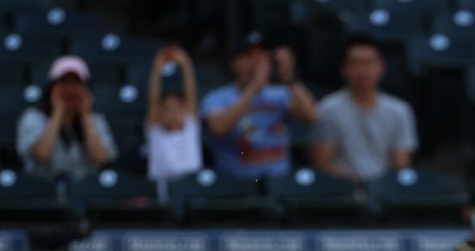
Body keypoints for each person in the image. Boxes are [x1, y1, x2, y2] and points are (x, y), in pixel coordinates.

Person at [200, 32, 318, 180]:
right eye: (249, 55)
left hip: (279, 183)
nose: (256, 62)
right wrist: (254, 87)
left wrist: (289, 78)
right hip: (236, 185)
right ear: (234, 62)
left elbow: (312, 115)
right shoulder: (217, 98)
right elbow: (218, 127)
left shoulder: (281, 94)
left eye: (263, 55)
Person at [309, 34, 418, 186]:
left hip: (385, 192)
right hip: (343, 191)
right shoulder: (327, 109)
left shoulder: (400, 111)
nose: (362, 70)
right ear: (344, 69)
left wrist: (378, 187)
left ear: (381, 66)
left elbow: (400, 164)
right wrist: (358, 183)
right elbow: (321, 164)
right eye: (355, 63)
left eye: (368, 63)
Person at [16, 55, 117, 179]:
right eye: (64, 82)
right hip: (43, 191)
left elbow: (101, 159)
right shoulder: (33, 117)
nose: (70, 89)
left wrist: (85, 114)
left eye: (76, 82)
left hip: (84, 193)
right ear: (51, 87)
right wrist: (58, 112)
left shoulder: (95, 120)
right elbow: (41, 155)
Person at [145, 44, 202, 184]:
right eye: (166, 109)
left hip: (192, 189)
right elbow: (153, 98)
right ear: (159, 114)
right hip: (163, 194)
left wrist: (185, 63)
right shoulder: (156, 131)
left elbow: (191, 93)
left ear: (185, 110)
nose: (172, 113)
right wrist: (157, 67)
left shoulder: (190, 128)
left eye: (177, 109)